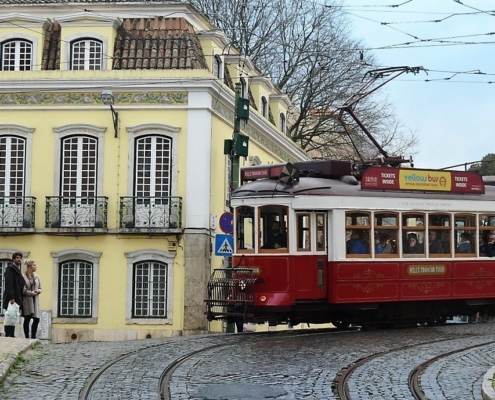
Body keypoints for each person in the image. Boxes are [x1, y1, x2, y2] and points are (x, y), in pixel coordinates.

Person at [2, 252, 26, 338]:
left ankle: (11, 333)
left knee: (13, 315)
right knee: (9, 315)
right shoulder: (10, 269)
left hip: (17, 296)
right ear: (13, 259)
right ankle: (8, 333)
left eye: (20, 258)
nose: (19, 259)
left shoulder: (17, 269)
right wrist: (11, 297)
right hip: (11, 297)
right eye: (17, 258)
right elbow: (9, 284)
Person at [22, 259, 42, 339]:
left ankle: (33, 337)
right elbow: (22, 290)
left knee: (36, 319)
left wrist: (37, 291)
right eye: (34, 265)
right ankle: (27, 337)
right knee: (27, 319)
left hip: (35, 300)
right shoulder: (23, 277)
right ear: (30, 267)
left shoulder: (37, 277)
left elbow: (41, 288)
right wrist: (30, 293)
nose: (36, 267)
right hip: (27, 300)